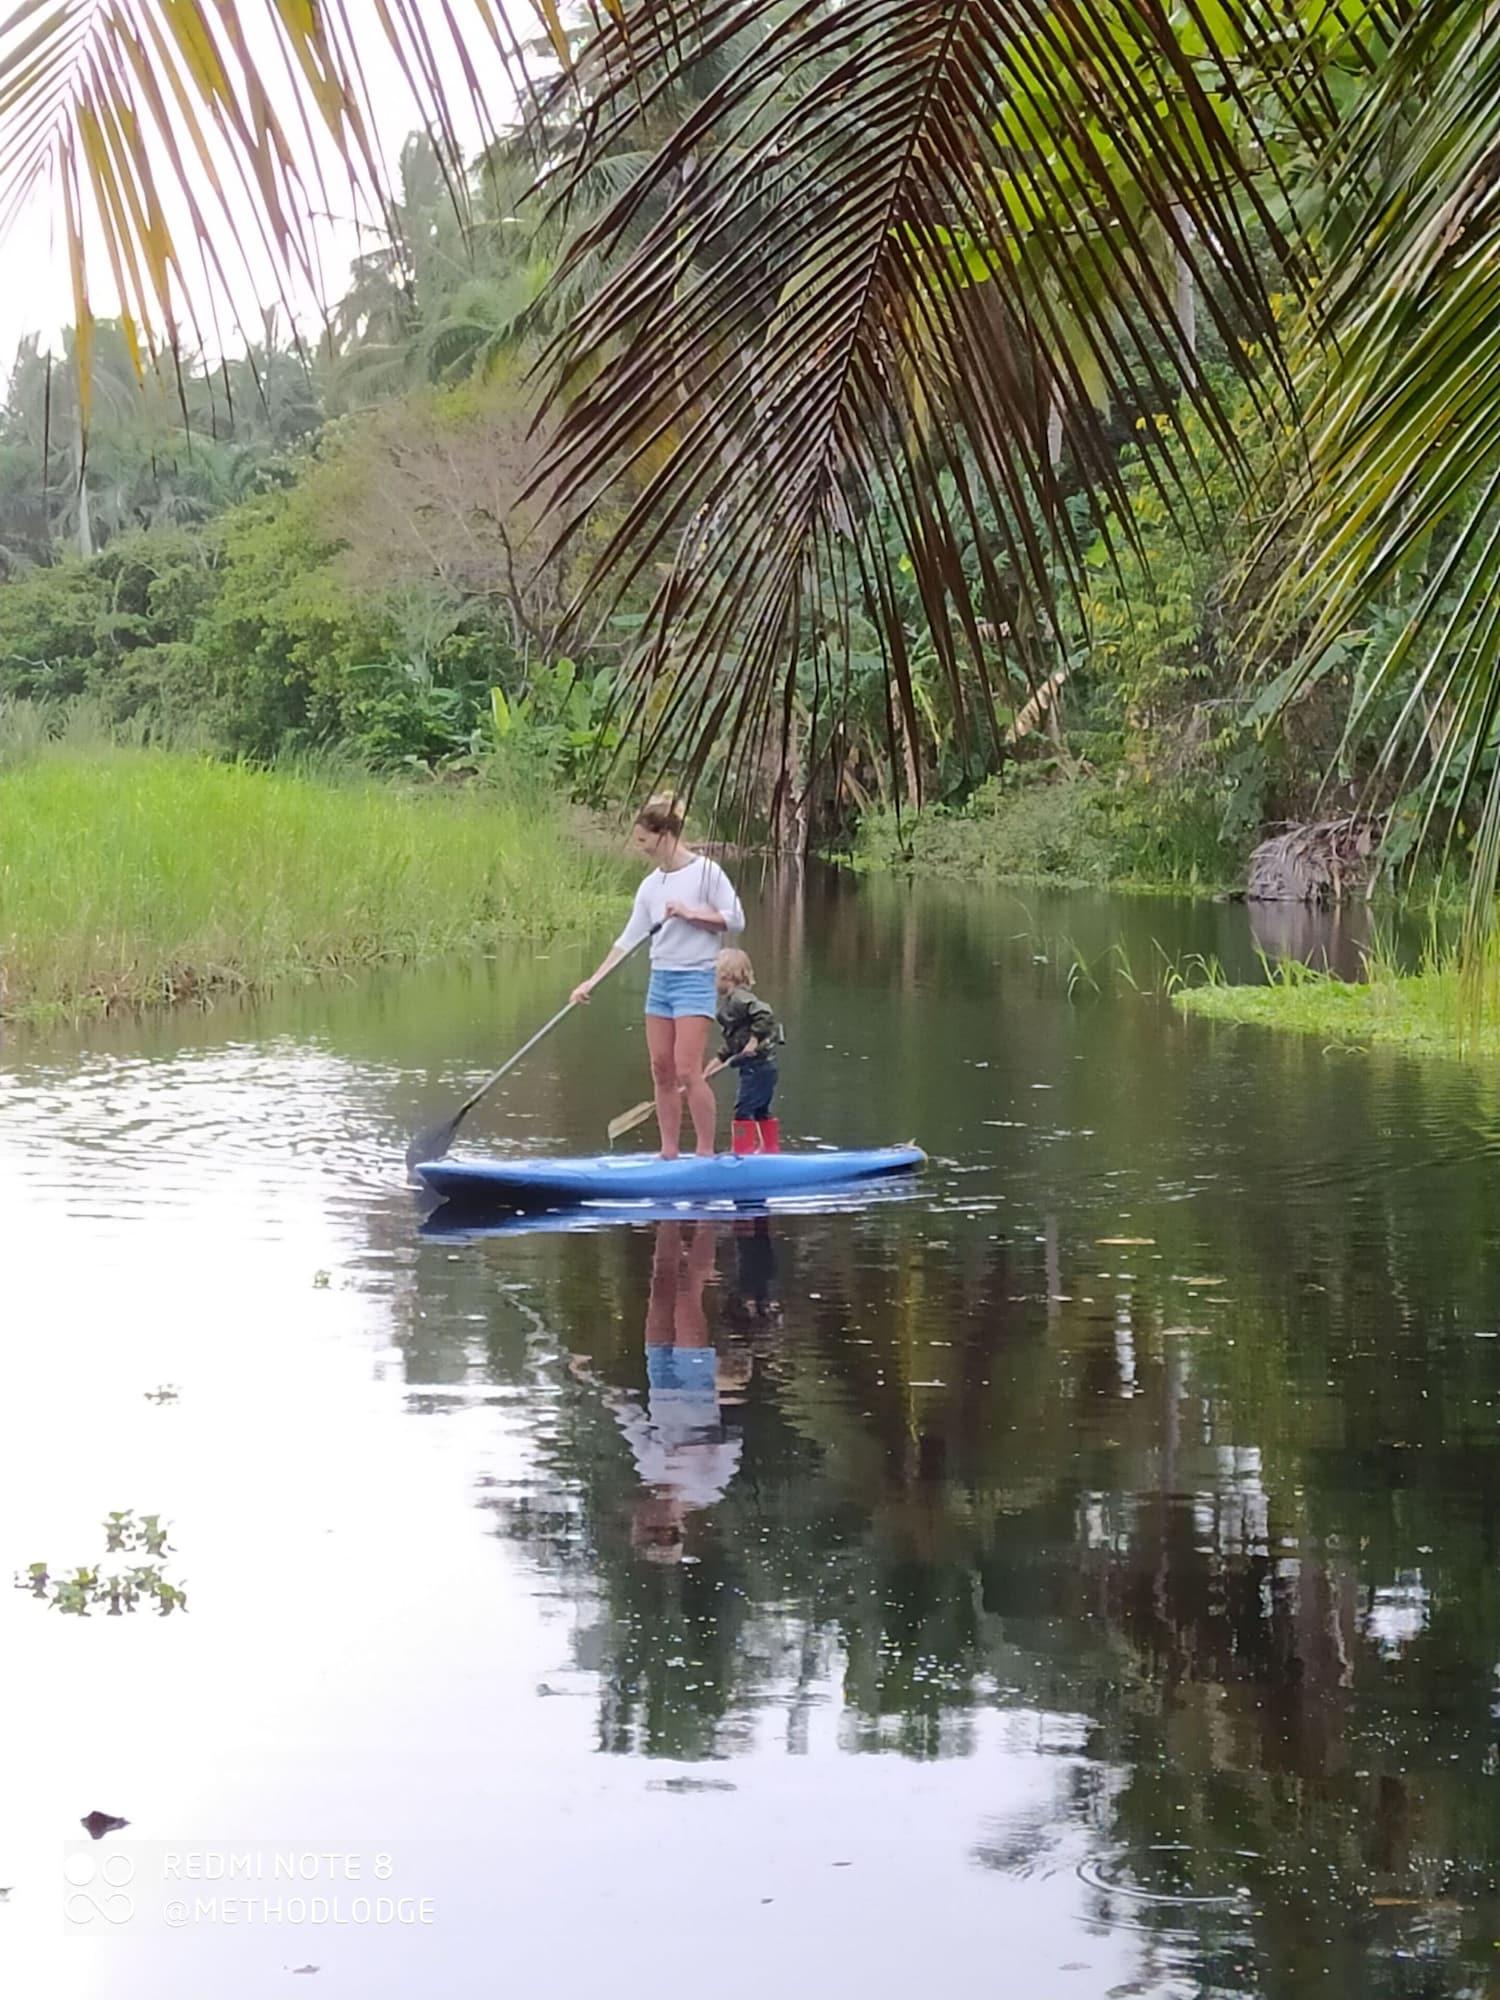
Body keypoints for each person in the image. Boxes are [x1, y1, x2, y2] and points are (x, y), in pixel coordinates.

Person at [570, 795, 745, 1158]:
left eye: (643, 840)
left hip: (695, 979)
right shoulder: (650, 886)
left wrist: (690, 914)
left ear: (664, 834)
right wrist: (592, 981)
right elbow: (628, 940)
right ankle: (668, 1153)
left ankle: (705, 1154)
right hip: (661, 980)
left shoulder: (706, 873)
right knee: (661, 1069)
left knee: (686, 1069)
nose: (641, 848)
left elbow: (735, 919)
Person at [715, 946, 782, 1154]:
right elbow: (734, 1042)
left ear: (726, 975)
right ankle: (770, 1150)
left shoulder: (739, 998)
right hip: (764, 1068)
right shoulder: (732, 1002)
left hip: (757, 1067)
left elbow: (764, 1013)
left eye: (714, 975)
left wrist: (754, 1040)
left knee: (743, 1111)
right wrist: (712, 1065)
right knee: (761, 1109)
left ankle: (742, 1154)